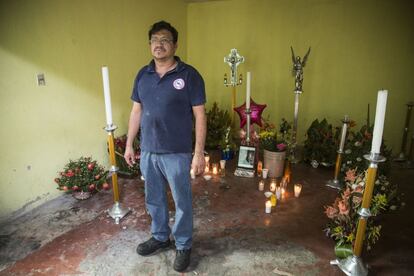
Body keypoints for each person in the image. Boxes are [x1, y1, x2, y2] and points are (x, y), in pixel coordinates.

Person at [124, 20, 206, 272]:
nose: (159, 45)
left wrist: (198, 153)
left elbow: (200, 115)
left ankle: (183, 244)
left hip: (177, 152)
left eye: (165, 40)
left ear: (175, 45)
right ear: (150, 44)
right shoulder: (142, 74)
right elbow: (136, 111)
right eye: (155, 40)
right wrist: (129, 145)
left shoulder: (189, 75)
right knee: (154, 199)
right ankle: (160, 237)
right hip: (149, 150)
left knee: (182, 201)